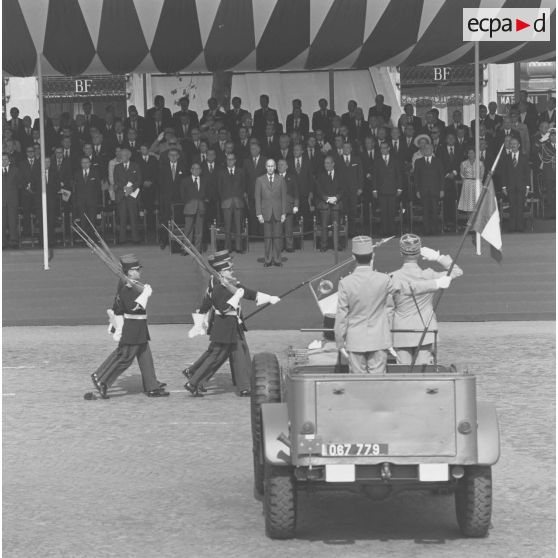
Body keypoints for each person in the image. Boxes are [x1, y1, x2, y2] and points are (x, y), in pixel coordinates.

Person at [183, 251, 280, 396]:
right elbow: (222, 308)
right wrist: (200, 322)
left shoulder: (228, 284)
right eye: (228, 269)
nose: (232, 270)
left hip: (231, 324)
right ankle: (195, 380)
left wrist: (268, 298)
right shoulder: (217, 286)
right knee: (216, 355)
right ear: (221, 272)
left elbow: (247, 292)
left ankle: (200, 378)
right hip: (224, 326)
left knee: (224, 354)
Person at [91, 254, 169, 398]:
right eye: (136, 269)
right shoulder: (127, 286)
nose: (139, 272)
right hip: (132, 327)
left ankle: (152, 386)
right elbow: (132, 307)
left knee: (145, 357)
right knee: (125, 358)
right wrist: (145, 294)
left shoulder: (130, 283)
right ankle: (103, 380)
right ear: (130, 272)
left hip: (139, 326)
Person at [390, 234, 462, 365]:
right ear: (419, 254)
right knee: (424, 373)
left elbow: (388, 308)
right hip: (425, 329)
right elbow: (457, 271)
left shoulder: (393, 277)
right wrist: (438, 257)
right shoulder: (429, 275)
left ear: (401, 253)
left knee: (403, 374)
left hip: (400, 332)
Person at [334, 236, 394, 374]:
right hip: (379, 338)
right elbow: (393, 302)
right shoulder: (384, 279)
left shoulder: (346, 283)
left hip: (355, 340)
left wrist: (340, 341)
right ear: (372, 256)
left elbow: (341, 315)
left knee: (357, 383)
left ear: (354, 257)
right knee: (378, 383)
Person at [255, 159, 287, 267]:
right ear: (265, 167)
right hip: (265, 213)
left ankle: (278, 260)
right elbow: (257, 198)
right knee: (267, 238)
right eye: (268, 166)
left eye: (272, 166)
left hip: (278, 212)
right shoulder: (259, 180)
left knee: (278, 238)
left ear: (275, 167)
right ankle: (268, 260)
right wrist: (259, 214)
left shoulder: (281, 179)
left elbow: (284, 197)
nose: (270, 168)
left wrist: (283, 213)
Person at [413, 143, 445, 235]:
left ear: (432, 150)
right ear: (423, 150)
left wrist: (442, 189)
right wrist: (417, 190)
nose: (427, 150)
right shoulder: (418, 162)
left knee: (435, 212)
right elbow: (416, 178)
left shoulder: (438, 161)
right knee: (425, 212)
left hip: (435, 191)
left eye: (429, 148)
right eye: (425, 148)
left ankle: (435, 230)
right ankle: (426, 231)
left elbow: (441, 176)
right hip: (423, 191)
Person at [372, 142, 403, 236]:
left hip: (393, 189)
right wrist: (374, 189)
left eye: (385, 148)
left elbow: (399, 175)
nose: (383, 150)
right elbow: (375, 177)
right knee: (383, 212)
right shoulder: (377, 161)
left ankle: (392, 231)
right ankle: (384, 231)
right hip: (381, 190)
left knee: (392, 211)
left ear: (389, 148)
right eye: (381, 148)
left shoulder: (395, 160)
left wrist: (399, 188)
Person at [113, 147, 142, 244]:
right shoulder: (117, 167)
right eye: (120, 155)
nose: (121, 157)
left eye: (124, 155)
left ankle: (136, 238)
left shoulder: (136, 166)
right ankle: (122, 239)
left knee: (133, 217)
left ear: (129, 156)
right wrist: (125, 188)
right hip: (121, 195)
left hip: (132, 195)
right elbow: (116, 181)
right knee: (122, 217)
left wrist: (131, 188)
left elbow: (139, 180)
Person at [501, 137, 530, 232]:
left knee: (520, 206)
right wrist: (504, 187)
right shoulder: (506, 157)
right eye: (511, 144)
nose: (513, 145)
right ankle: (512, 227)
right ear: (510, 146)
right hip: (510, 186)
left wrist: (527, 187)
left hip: (521, 186)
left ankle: (520, 227)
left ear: (519, 145)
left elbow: (527, 173)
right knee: (512, 206)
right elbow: (504, 173)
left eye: (515, 143)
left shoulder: (524, 157)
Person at [218, 153, 245, 253]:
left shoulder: (241, 171)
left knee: (238, 226)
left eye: (232, 159)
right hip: (226, 202)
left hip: (238, 202)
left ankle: (239, 247)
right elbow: (219, 188)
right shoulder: (221, 172)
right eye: (228, 159)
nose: (230, 161)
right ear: (226, 160)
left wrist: (239, 198)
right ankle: (228, 247)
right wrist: (225, 199)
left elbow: (244, 186)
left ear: (235, 160)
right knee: (227, 226)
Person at [315, 156, 343, 252]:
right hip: (325, 203)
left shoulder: (340, 175)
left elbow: (342, 189)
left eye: (328, 163)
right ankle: (324, 245)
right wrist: (327, 199)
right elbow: (319, 190)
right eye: (325, 163)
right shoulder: (321, 175)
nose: (326, 165)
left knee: (336, 225)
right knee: (324, 225)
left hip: (336, 202)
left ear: (333, 164)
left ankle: (337, 245)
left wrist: (335, 198)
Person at [181, 162, 208, 252]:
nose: (196, 170)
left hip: (200, 208)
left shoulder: (204, 180)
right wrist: (189, 203)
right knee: (188, 229)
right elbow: (182, 194)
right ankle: (186, 249)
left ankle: (197, 249)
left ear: (200, 171)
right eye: (194, 168)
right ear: (191, 170)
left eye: (198, 169)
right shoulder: (185, 181)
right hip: (189, 207)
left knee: (199, 230)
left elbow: (207, 193)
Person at [2, 152, 21, 248]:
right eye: (2, 159)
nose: (3, 161)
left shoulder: (15, 170)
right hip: (1, 202)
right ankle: (2, 242)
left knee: (13, 222)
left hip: (12, 201)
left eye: (5, 159)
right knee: (2, 223)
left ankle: (13, 241)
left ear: (9, 161)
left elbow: (20, 184)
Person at [458, 148, 484, 218]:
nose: (470, 154)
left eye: (472, 153)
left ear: (475, 154)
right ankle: (468, 222)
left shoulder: (480, 163)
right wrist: (466, 181)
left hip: (477, 184)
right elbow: (462, 174)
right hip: (467, 184)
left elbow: (482, 174)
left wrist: (478, 182)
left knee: (477, 202)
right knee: (468, 203)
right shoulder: (463, 163)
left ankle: (477, 222)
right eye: (469, 153)